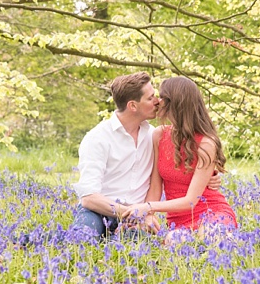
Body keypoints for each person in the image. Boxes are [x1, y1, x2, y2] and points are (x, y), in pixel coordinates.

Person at [71, 72, 220, 239]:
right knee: (80, 238)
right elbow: (89, 198)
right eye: (150, 98)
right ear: (133, 106)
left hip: (139, 216)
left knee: (134, 247)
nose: (157, 101)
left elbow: (185, 157)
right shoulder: (97, 138)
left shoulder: (153, 136)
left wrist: (211, 175)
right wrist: (133, 213)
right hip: (100, 211)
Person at [121, 76, 237, 239]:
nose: (157, 101)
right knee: (176, 241)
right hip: (178, 220)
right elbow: (156, 186)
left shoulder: (206, 143)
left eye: (161, 97)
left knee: (211, 235)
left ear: (175, 103)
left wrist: (147, 207)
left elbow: (190, 201)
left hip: (211, 212)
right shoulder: (159, 135)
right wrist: (147, 214)